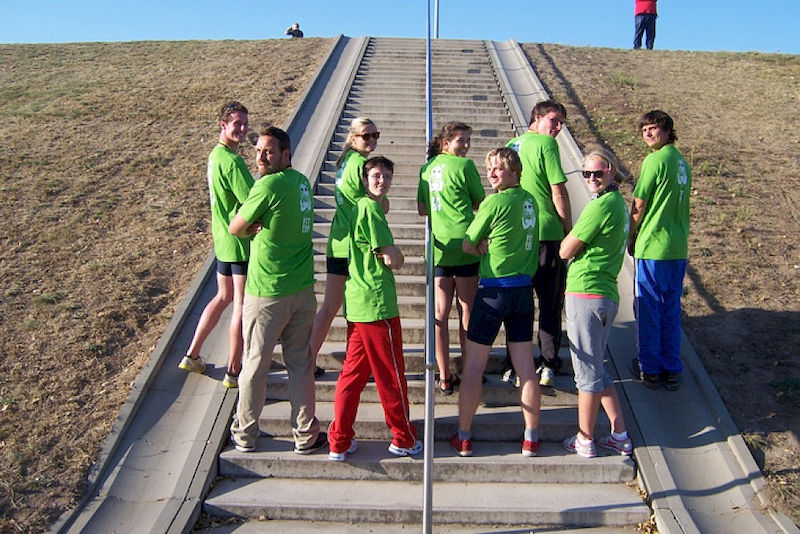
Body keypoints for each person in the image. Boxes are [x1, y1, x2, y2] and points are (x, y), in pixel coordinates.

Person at [228, 125, 326, 454]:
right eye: (257, 151)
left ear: (286, 154)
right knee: (299, 365)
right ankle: (305, 434)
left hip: (267, 292)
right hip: (302, 292)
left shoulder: (267, 185)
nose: (261, 157)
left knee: (255, 363)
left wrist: (245, 224)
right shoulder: (300, 183)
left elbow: (236, 228)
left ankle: (245, 434)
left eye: (268, 151)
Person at [328, 157, 421, 461]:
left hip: (358, 302)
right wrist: (398, 256)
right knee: (391, 375)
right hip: (377, 304)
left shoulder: (356, 207)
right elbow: (392, 258)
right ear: (364, 179)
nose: (383, 181)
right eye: (377, 175)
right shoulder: (370, 208)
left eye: (387, 176)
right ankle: (403, 437)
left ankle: (339, 440)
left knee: (352, 376)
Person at [451, 148, 542, 458]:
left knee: (474, 367)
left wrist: (483, 252)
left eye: (498, 169)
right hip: (522, 291)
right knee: (526, 368)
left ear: (514, 172)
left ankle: (464, 436)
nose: (491, 173)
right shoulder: (529, 200)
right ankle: (531, 437)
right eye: (488, 168)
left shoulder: (494, 201)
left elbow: (467, 243)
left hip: (492, 291)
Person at [560, 148, 632, 458]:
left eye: (597, 173)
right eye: (586, 173)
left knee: (586, 375)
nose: (591, 178)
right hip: (604, 293)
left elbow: (566, 249)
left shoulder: (602, 206)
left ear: (612, 172)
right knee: (598, 370)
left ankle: (585, 439)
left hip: (586, 292)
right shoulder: (616, 203)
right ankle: (620, 434)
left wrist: (568, 241)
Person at [179, 101, 254, 389]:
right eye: (237, 123)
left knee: (222, 297)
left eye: (245, 123)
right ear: (222, 125)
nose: (243, 129)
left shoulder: (215, 155)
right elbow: (251, 200)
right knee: (241, 306)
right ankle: (234, 371)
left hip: (222, 240)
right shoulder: (232, 162)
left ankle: (193, 353)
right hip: (240, 242)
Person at [309, 117, 386, 375]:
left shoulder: (344, 163)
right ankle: (360, 364)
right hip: (357, 245)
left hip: (338, 241)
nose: (372, 140)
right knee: (360, 309)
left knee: (330, 306)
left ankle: (307, 360)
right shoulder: (363, 165)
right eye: (366, 136)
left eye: (376, 135)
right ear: (353, 138)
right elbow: (378, 205)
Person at [506, 100, 572, 388]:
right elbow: (558, 190)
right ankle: (547, 363)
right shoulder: (546, 144)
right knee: (549, 302)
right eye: (554, 120)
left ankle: (514, 365)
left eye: (561, 123)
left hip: (519, 235)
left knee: (519, 303)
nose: (557, 128)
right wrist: (568, 230)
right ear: (537, 118)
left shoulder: (512, 144)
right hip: (546, 233)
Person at [417, 121, 485, 395]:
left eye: (467, 140)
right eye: (461, 140)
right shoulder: (466, 167)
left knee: (440, 316)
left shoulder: (426, 169)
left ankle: (444, 376)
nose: (466, 145)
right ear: (446, 143)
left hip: (439, 249)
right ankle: (469, 372)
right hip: (466, 244)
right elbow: (479, 201)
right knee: (466, 312)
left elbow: (422, 208)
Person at [629, 110, 691, 391]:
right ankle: (672, 367)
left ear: (667, 131)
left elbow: (639, 204)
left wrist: (630, 236)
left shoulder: (654, 160)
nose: (648, 134)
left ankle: (650, 367)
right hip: (677, 247)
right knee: (671, 309)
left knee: (649, 308)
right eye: (644, 130)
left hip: (653, 246)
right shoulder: (681, 162)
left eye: (653, 129)